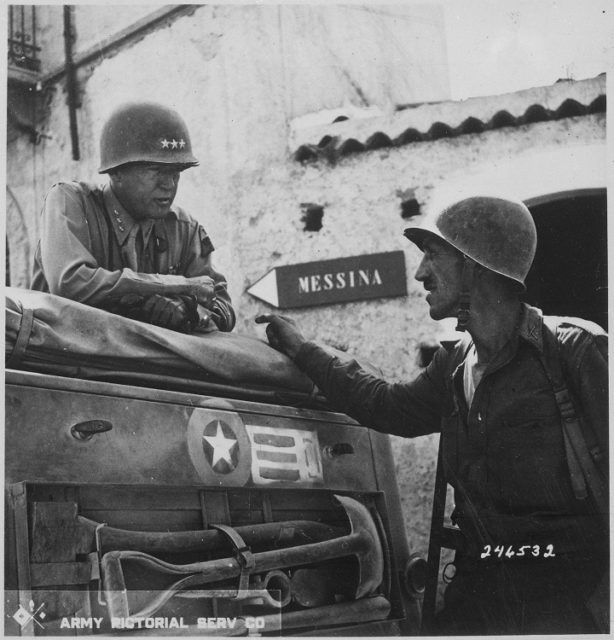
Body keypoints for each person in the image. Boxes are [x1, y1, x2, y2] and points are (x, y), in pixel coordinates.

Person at [256, 196, 608, 635]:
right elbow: (388, 405)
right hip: (478, 594)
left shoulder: (573, 352)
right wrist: (304, 351)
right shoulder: (455, 365)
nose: (421, 272)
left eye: (434, 255)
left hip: (566, 601)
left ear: (477, 266)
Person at [32, 101, 235, 333]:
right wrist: (175, 285)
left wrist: (187, 308)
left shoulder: (184, 228)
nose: (169, 185)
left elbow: (223, 307)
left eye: (176, 173)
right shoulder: (71, 202)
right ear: (116, 172)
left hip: (145, 362)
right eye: (155, 171)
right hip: (61, 360)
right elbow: (71, 284)